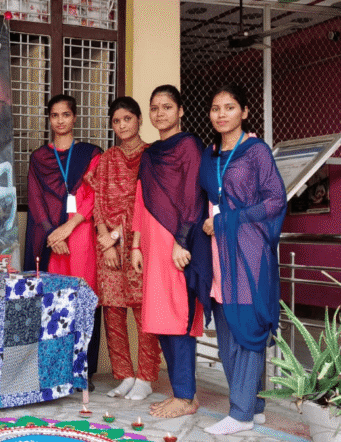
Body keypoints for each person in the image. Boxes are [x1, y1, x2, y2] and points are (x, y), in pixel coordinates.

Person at [200, 84, 286, 435]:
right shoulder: (210, 154)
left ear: (245, 112)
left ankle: (241, 413)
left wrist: (227, 221)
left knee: (248, 328)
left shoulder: (256, 151)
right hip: (218, 252)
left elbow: (275, 200)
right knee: (226, 333)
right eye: (216, 108)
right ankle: (256, 403)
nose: (221, 114)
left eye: (230, 107)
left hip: (248, 252)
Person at [130, 85, 212, 418]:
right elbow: (140, 199)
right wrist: (136, 244)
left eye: (167, 107)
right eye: (154, 108)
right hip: (153, 247)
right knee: (161, 319)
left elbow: (194, 195)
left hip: (178, 245)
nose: (160, 113)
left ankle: (185, 396)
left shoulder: (189, 145)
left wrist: (182, 241)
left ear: (180, 111)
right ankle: (182, 394)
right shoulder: (150, 154)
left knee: (179, 318)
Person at [24, 94, 102, 392]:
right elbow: (35, 199)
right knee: (53, 306)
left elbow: (95, 195)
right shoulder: (39, 158)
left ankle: (85, 370)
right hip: (51, 242)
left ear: (75, 117)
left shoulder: (91, 154)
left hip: (81, 236)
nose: (60, 120)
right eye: (55, 115)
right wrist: (51, 234)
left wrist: (68, 228)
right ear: (49, 119)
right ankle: (54, 370)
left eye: (65, 114)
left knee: (84, 302)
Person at [94, 97, 161, 401]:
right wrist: (105, 238)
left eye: (127, 119)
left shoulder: (151, 155)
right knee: (113, 311)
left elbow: (145, 203)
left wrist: (117, 236)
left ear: (139, 120)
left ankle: (145, 377)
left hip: (139, 244)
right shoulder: (108, 158)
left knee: (143, 310)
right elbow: (97, 201)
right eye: (116, 121)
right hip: (108, 247)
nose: (122, 125)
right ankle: (124, 375)